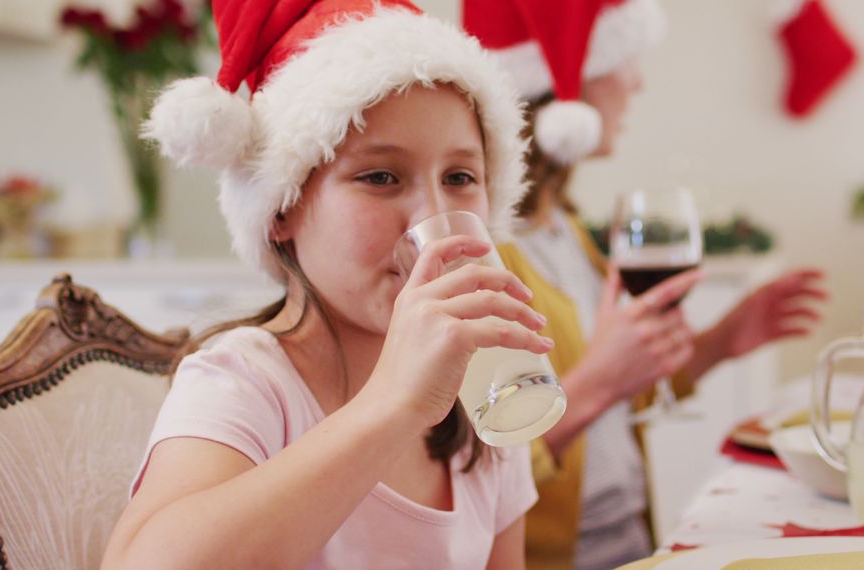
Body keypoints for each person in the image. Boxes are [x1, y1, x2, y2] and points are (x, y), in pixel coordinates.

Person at [102, 1, 550, 568]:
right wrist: (393, 403)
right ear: (281, 209)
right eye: (381, 177)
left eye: (460, 177)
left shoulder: (484, 391)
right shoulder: (246, 384)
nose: (430, 223)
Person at [463, 1, 827, 568]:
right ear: (561, 89)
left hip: (626, 541)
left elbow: (617, 392)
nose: (638, 81)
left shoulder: (565, 229)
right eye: (625, 59)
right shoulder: (482, 255)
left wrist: (720, 344)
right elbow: (473, 460)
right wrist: (595, 384)